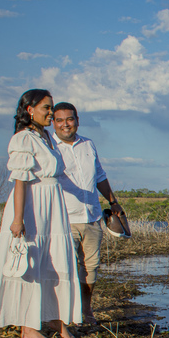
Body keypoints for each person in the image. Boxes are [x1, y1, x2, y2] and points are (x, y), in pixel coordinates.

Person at [0, 89, 82, 338]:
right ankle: (29, 327)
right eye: (46, 108)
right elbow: (20, 180)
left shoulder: (47, 137)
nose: (51, 113)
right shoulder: (23, 138)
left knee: (53, 262)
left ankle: (55, 320)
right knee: (33, 264)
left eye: (51, 108)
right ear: (30, 110)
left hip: (53, 205)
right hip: (32, 204)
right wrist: (18, 218)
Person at [50, 101, 124, 326]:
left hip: (91, 219)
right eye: (60, 120)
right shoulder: (48, 147)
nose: (65, 125)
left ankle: (86, 310)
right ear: (53, 122)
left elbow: (100, 176)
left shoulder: (88, 144)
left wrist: (113, 202)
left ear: (77, 121)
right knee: (66, 269)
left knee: (90, 270)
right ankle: (63, 316)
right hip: (64, 219)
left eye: (70, 119)